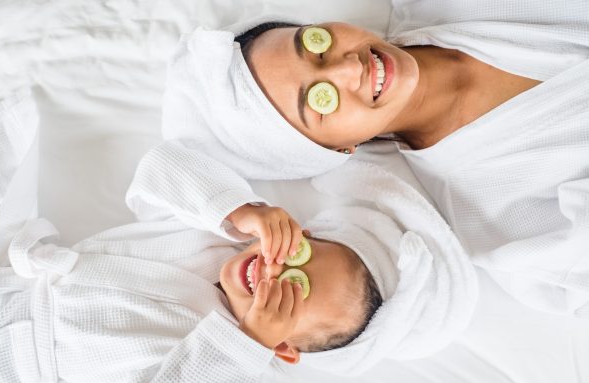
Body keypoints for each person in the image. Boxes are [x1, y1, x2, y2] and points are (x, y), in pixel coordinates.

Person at [0, 90, 476, 383]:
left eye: (290, 295)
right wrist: (236, 208)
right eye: (297, 257)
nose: (272, 273)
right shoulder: (213, 236)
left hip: (10, 365)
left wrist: (245, 345)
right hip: (10, 270)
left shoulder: (220, 364)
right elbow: (160, 169)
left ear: (281, 347)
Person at [156, 1, 589, 315]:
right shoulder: (496, 217)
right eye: (321, 102)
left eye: (316, 43)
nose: (350, 68)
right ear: (337, 150)